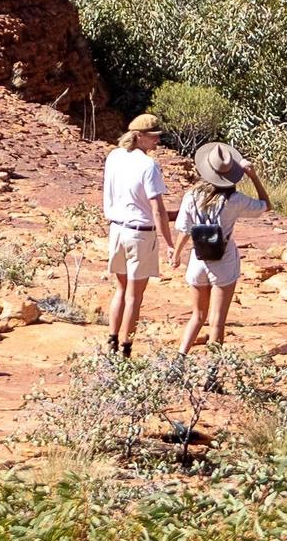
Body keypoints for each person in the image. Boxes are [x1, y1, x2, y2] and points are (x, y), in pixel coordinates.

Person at [173, 141, 272, 376]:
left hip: (198, 260)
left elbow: (184, 230)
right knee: (217, 321)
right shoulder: (234, 200)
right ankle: (212, 374)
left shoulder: (191, 196)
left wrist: (176, 254)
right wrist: (254, 176)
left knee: (197, 316)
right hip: (223, 261)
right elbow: (266, 206)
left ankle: (179, 362)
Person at [99, 111, 171, 357]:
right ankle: (125, 349)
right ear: (139, 136)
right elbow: (158, 209)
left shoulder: (115, 156)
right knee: (135, 296)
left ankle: (111, 341)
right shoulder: (148, 165)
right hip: (140, 234)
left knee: (121, 290)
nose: (157, 142)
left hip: (117, 230)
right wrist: (170, 244)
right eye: (153, 137)